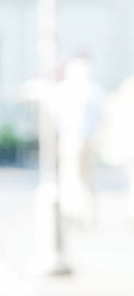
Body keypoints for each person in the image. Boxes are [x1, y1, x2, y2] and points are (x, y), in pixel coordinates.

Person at [54, 54, 105, 226]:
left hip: (74, 138)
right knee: (82, 178)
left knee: (72, 176)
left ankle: (74, 212)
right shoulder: (94, 91)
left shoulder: (64, 90)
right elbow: (101, 117)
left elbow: (55, 117)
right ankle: (82, 214)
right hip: (84, 138)